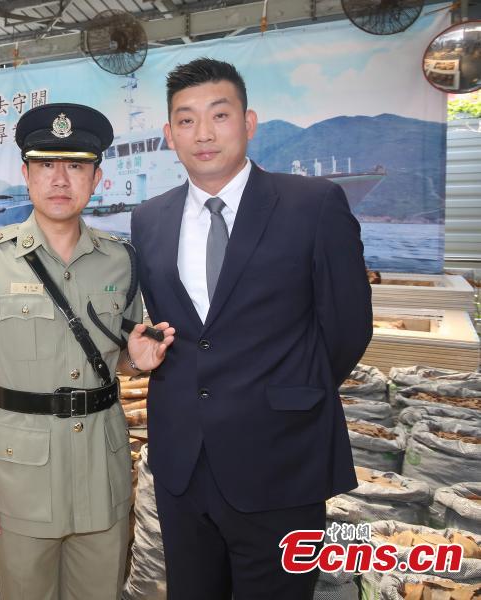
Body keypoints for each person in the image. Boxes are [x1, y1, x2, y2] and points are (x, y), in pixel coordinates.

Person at [129, 58, 373, 599]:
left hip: (281, 457)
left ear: (248, 122)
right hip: (183, 462)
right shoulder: (149, 219)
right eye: (187, 120)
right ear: (169, 134)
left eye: (219, 115)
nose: (204, 133)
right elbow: (168, 327)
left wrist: (288, 393)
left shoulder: (312, 205)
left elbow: (348, 327)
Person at [0, 103, 174, 600]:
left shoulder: (121, 260)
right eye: (46, 165)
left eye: (76, 166)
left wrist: (138, 361)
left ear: (96, 178)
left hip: (102, 467)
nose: (60, 179)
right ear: (26, 175)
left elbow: (117, 358)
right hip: (19, 474)